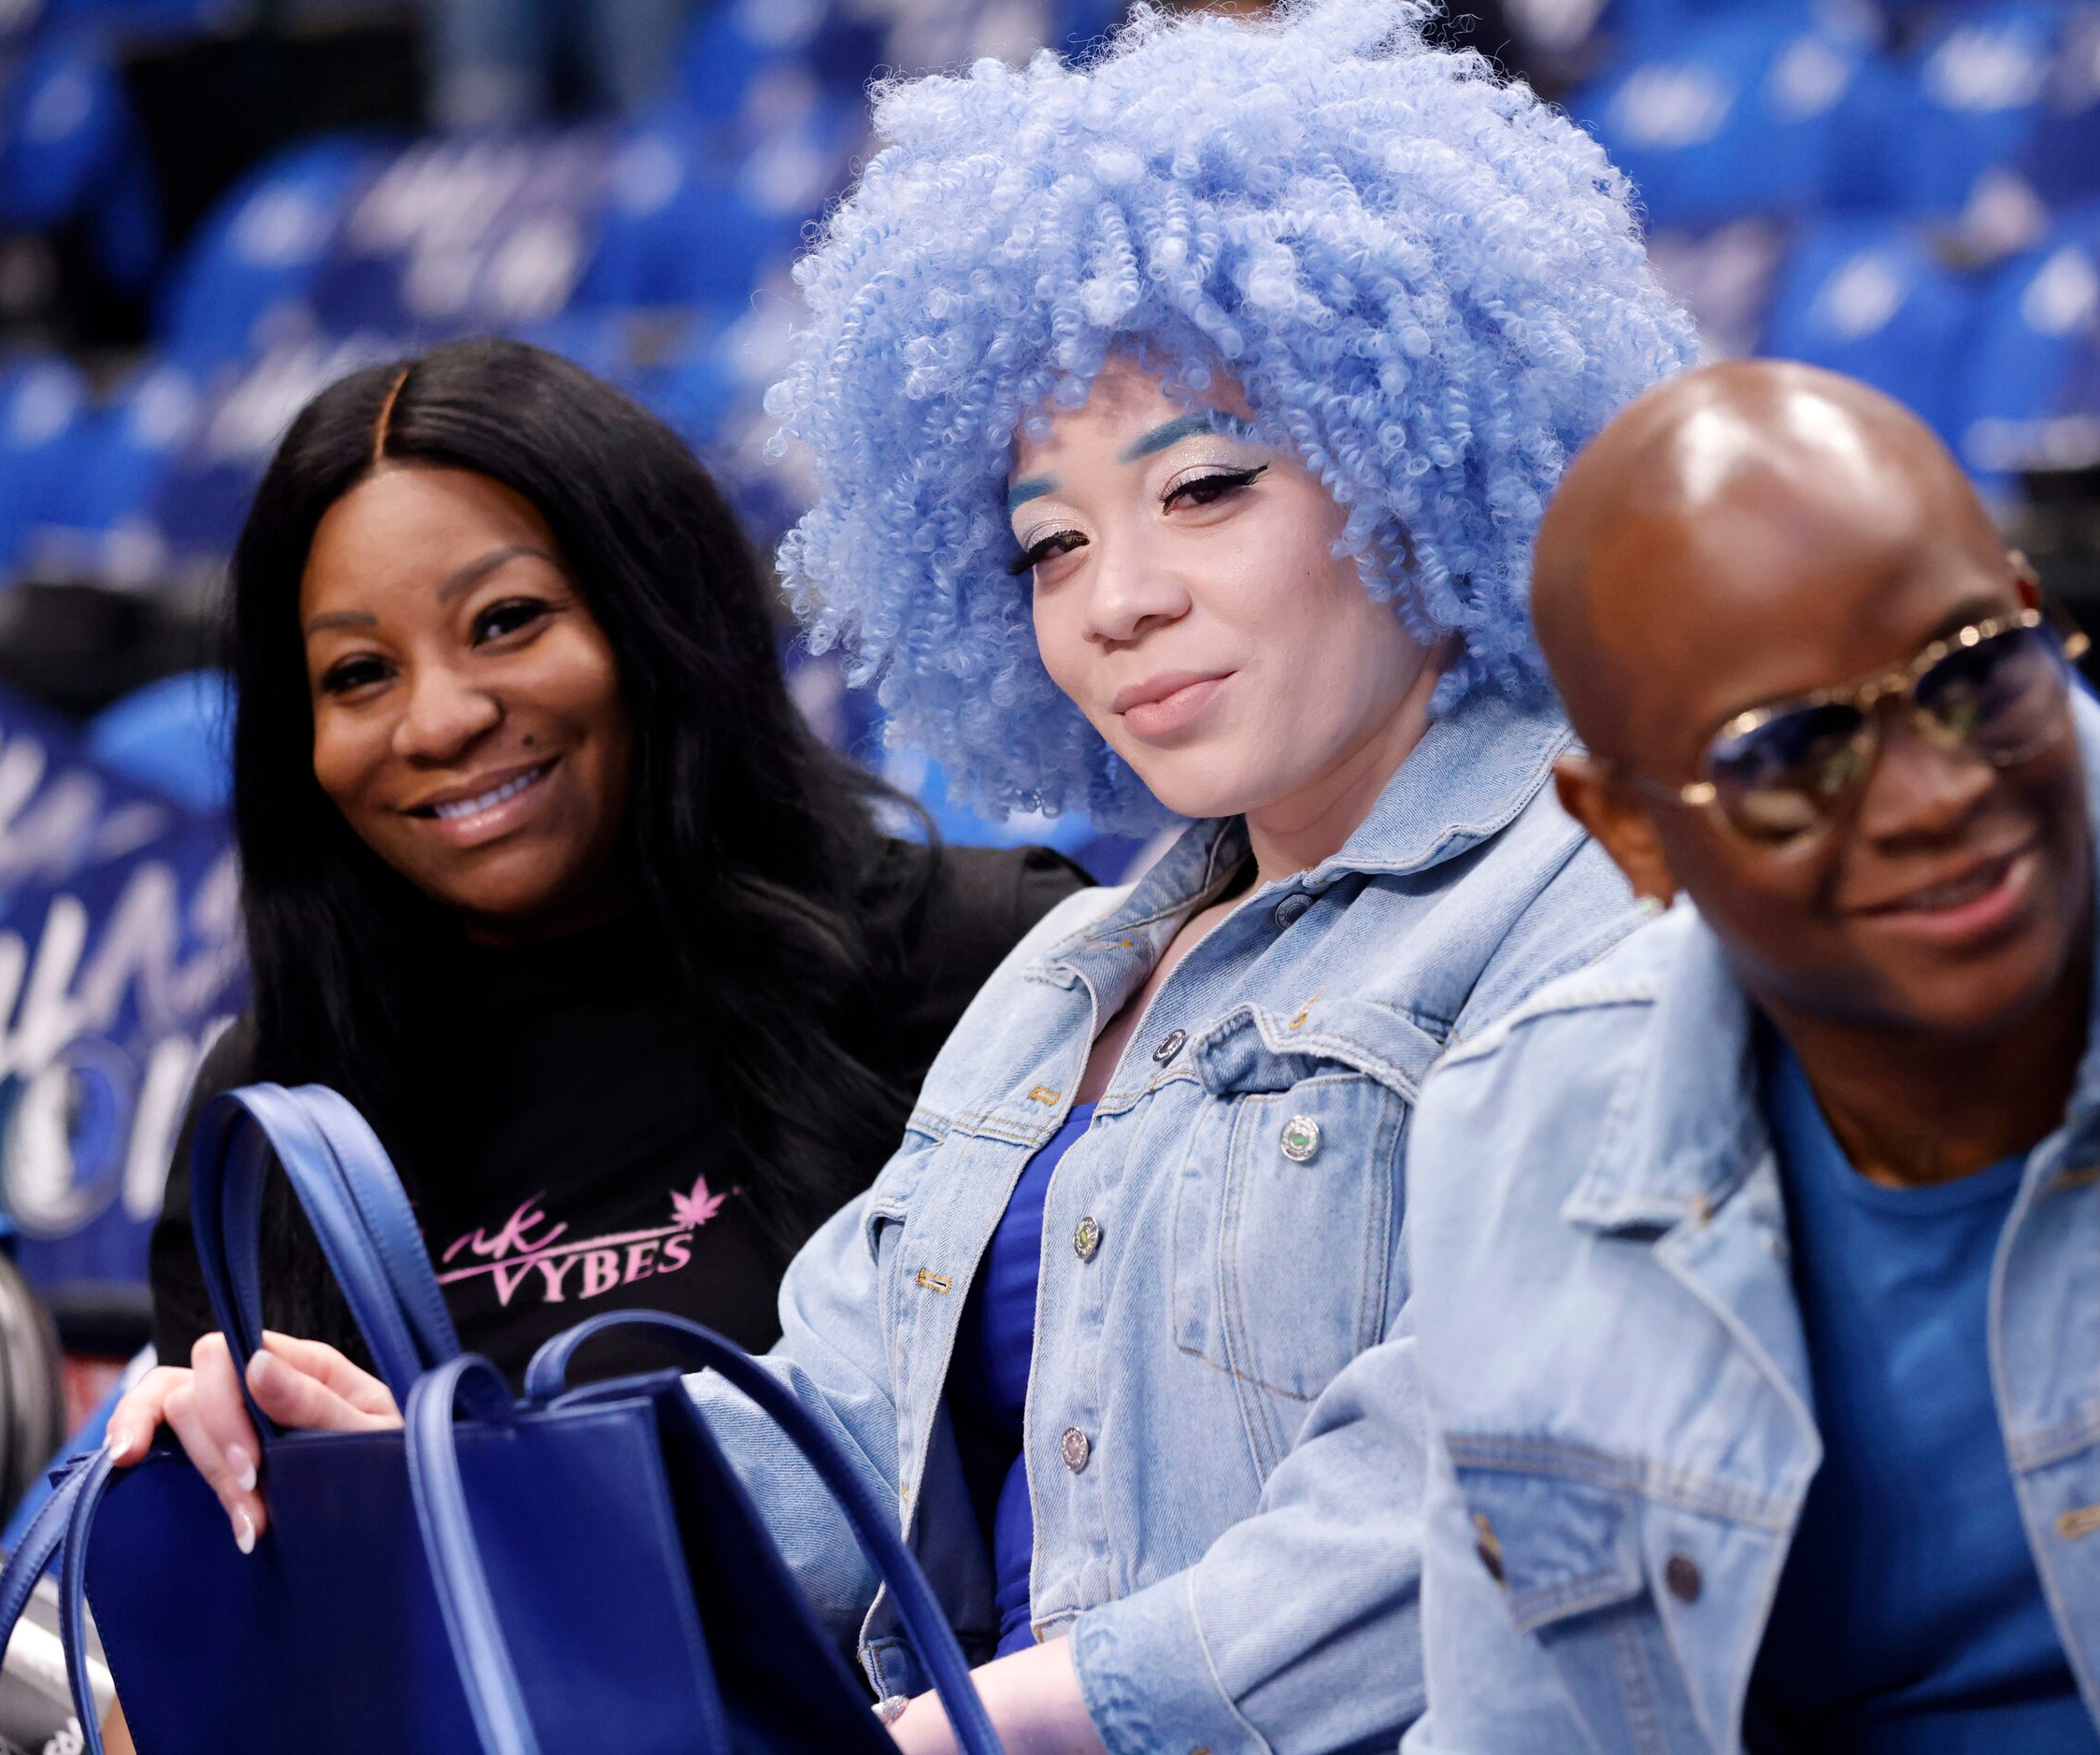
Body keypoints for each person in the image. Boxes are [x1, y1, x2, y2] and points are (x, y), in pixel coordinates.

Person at [124, 3, 1695, 1748]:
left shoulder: (1604, 891)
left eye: (1209, 486)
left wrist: (965, 1728)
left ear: (1421, 450)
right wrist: (385, 1484)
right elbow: (805, 1459)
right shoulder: (1072, 975)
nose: (1118, 600)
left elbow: (1476, 1493)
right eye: (1052, 541)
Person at [1403, 360, 2100, 1753]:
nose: (1938, 792)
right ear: (1628, 832)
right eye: (1793, 753)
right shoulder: (1515, 1138)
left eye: (1972, 675)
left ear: (2037, 619)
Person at [107, 338, 1089, 1552]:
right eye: (359, 672)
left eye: (507, 621)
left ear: (657, 621)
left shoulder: (988, 965)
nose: (444, 718)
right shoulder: (273, 1116)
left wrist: (474, 1512)